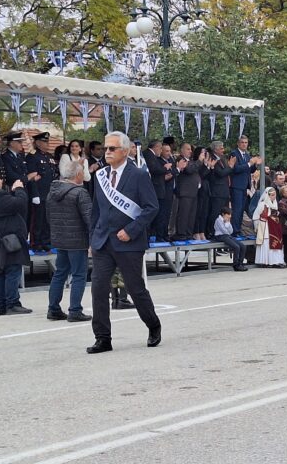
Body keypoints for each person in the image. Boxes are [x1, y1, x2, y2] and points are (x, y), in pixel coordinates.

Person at [86, 131, 161, 354]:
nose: (106, 152)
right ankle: (102, 338)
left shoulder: (138, 175)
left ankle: (153, 325)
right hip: (103, 242)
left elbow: (151, 208)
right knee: (98, 289)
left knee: (135, 289)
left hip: (129, 242)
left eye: (112, 149)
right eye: (105, 148)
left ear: (125, 151)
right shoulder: (101, 176)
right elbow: (96, 211)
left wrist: (131, 230)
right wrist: (92, 239)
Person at [46, 159, 93, 322]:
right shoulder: (80, 193)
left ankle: (53, 309)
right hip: (77, 240)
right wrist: (93, 241)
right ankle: (75, 310)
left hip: (60, 239)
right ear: (78, 174)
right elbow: (89, 219)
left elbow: (48, 217)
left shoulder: (52, 192)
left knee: (60, 273)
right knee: (79, 275)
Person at [0, 174, 33, 315]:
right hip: (8, 240)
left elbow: (7, 204)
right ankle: (12, 303)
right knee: (12, 270)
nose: (1, 181)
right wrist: (19, 189)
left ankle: (1, 305)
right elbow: (20, 204)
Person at [25, 132, 57, 251]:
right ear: (37, 143)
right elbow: (31, 177)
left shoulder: (49, 156)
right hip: (38, 192)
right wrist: (34, 194)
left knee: (47, 219)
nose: (47, 143)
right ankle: (35, 242)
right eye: (44, 141)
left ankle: (46, 240)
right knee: (37, 220)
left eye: (47, 141)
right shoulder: (32, 156)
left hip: (49, 192)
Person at [229, 135, 262, 235]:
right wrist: (249, 163)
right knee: (237, 209)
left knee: (241, 210)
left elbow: (250, 169)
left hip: (244, 186)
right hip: (236, 185)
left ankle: (238, 229)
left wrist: (256, 164)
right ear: (238, 144)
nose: (244, 144)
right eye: (242, 142)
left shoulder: (247, 155)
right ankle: (235, 231)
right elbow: (236, 169)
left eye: (246, 142)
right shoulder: (234, 154)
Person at [172, 142, 200, 241]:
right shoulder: (181, 159)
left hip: (193, 192)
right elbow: (189, 170)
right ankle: (181, 234)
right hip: (185, 192)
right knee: (183, 214)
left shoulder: (191, 161)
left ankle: (189, 233)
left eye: (190, 149)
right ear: (182, 150)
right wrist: (199, 161)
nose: (190, 151)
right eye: (188, 149)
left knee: (191, 215)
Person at [253, 187, 285, 268]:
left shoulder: (275, 204)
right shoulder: (262, 204)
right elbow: (255, 216)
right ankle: (265, 262)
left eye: (274, 195)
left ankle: (276, 261)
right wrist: (257, 227)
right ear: (267, 195)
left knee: (276, 242)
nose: (273, 197)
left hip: (275, 227)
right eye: (271, 195)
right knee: (267, 243)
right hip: (265, 227)